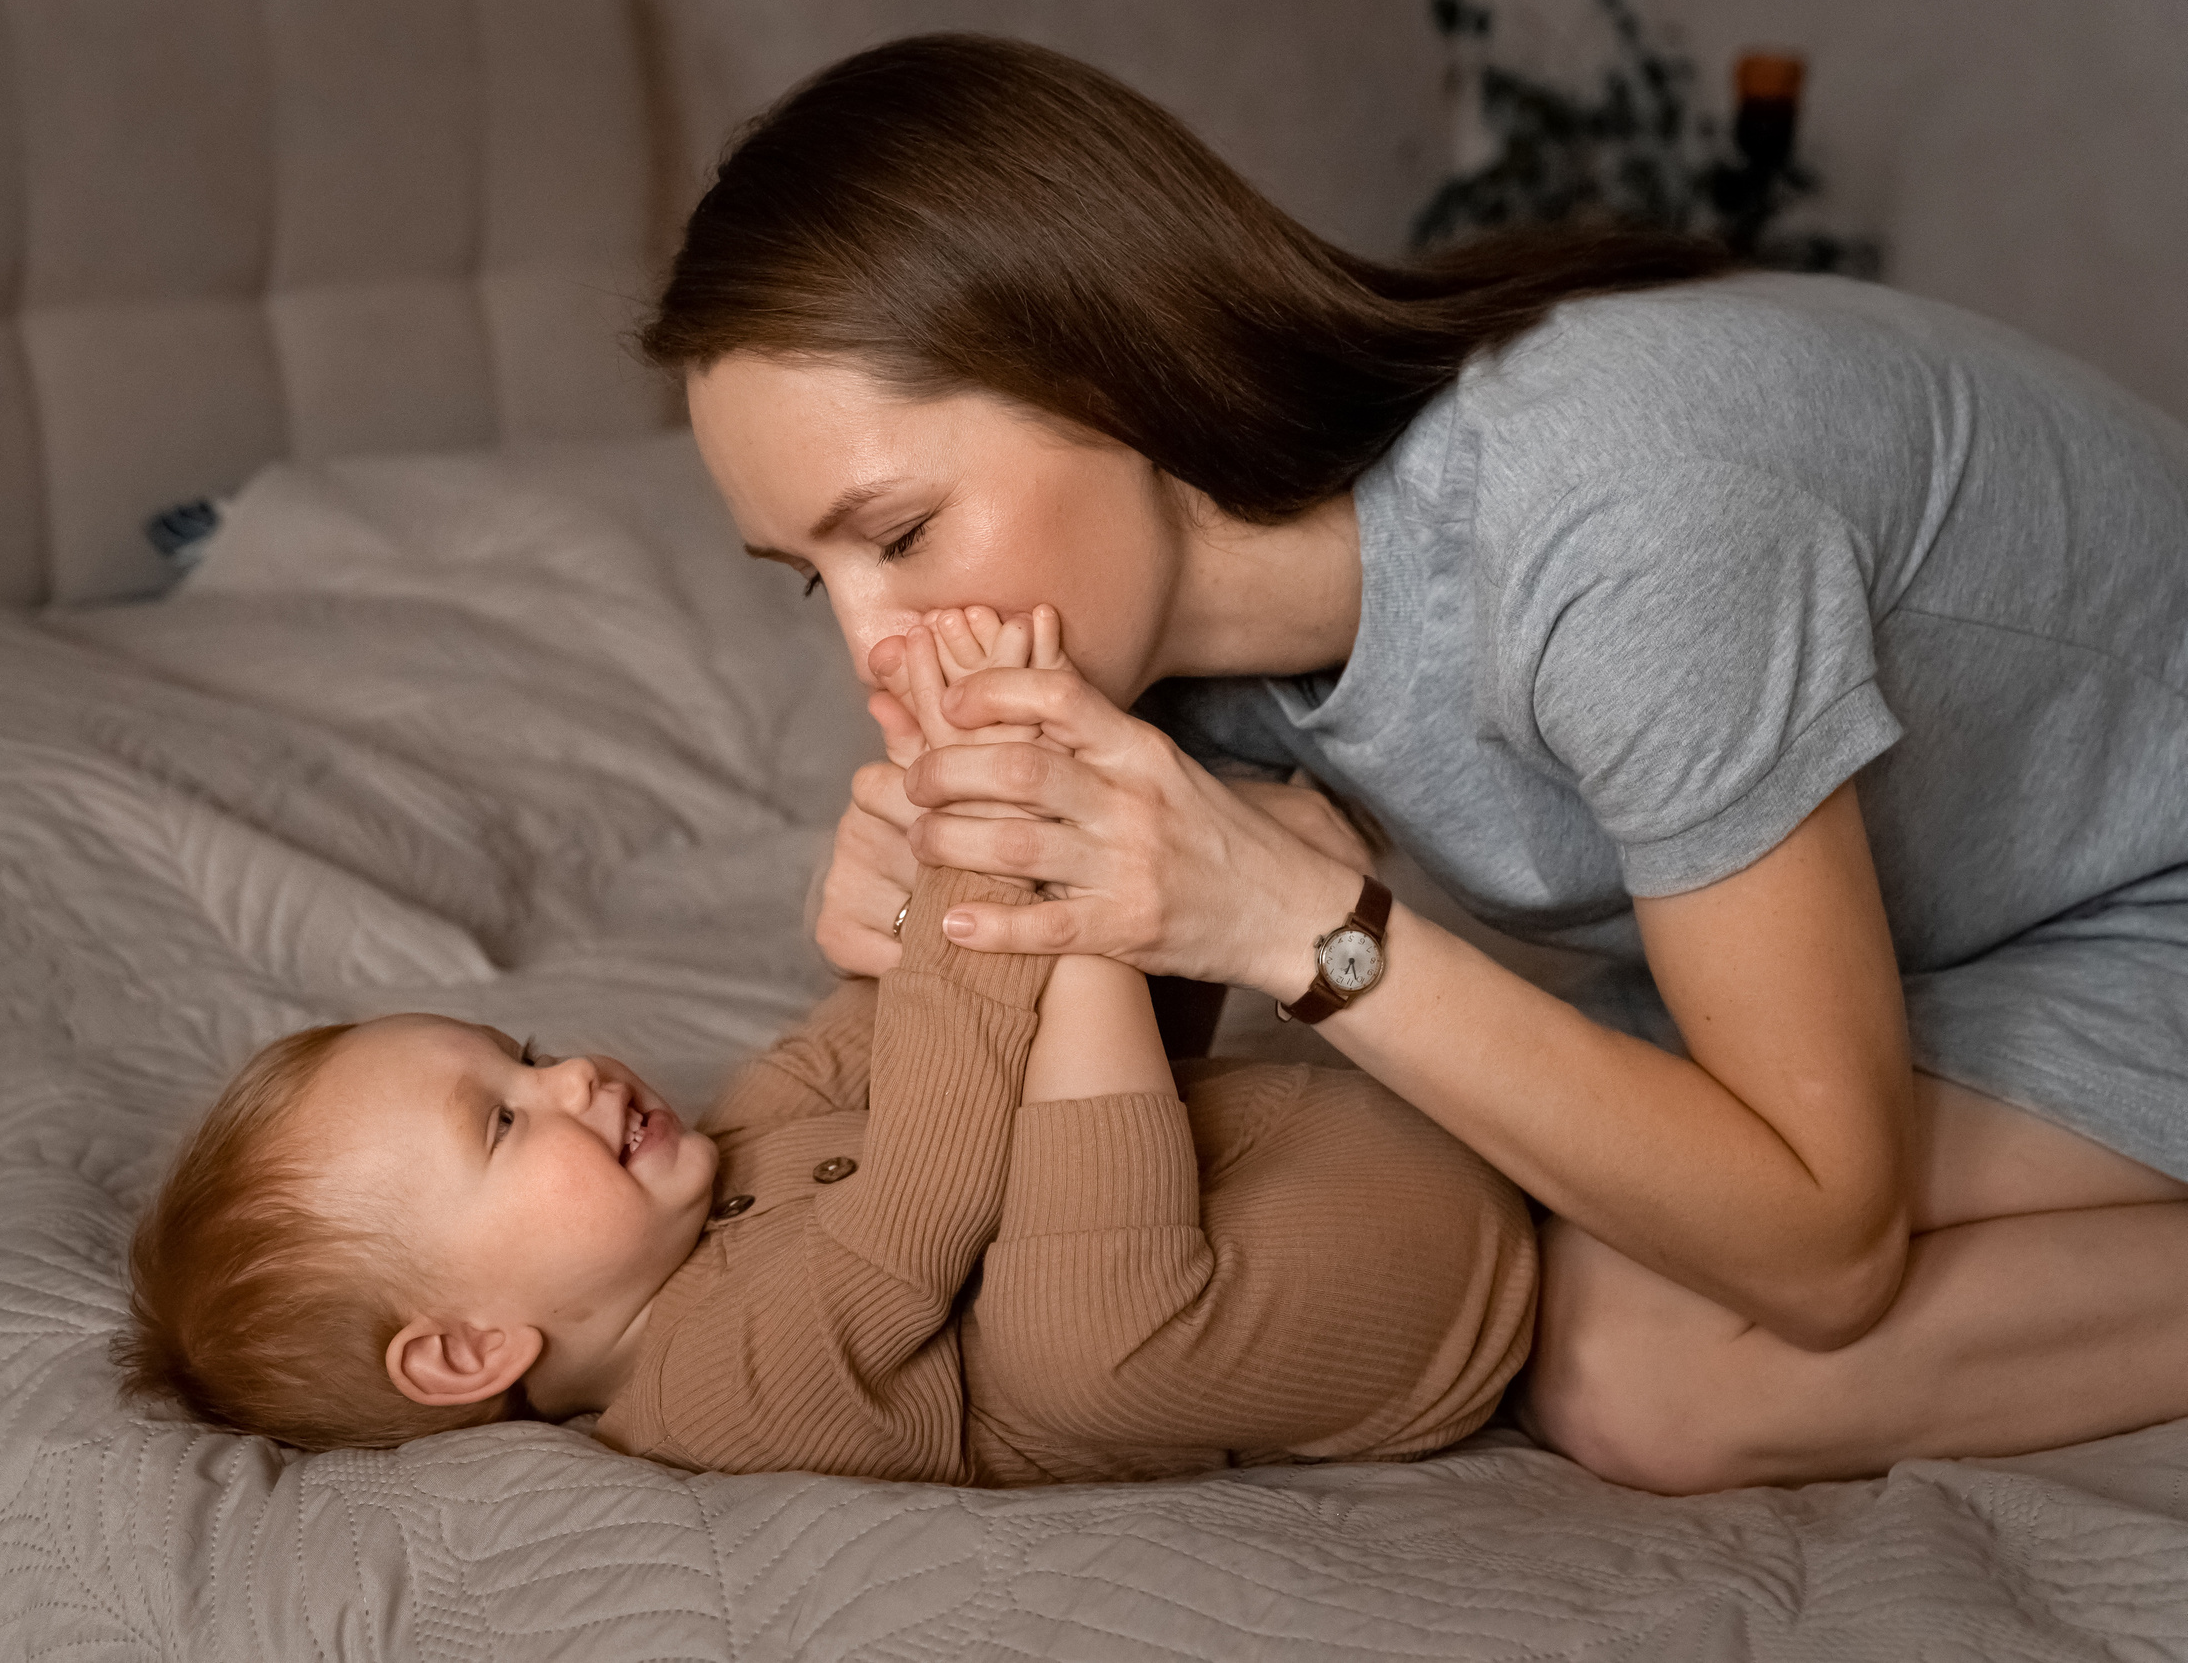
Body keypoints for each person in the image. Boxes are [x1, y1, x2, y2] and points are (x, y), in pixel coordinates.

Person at [648, 32, 2188, 1495]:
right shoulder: (1159, 648)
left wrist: (1305, 929)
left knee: (1648, 1367)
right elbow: (1148, 1101)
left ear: (1115, 377)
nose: (873, 648)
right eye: (810, 577)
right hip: (1980, 912)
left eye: (902, 536)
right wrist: (988, 913)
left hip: (2152, 885)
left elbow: (1827, 1254)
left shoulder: (1622, 531)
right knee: (1540, 1236)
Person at [115, 614, 1536, 1479]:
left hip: (1394, 1157)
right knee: (1065, 1336)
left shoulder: (733, 1149)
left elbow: (885, 1015)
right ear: (469, 1349)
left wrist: (944, 804)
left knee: (976, 998)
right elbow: (927, 1181)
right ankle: (1098, 870)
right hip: (1389, 1307)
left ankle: (1140, 835)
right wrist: (1001, 870)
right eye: (502, 1122)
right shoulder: (714, 1394)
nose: (572, 1078)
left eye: (525, 1050)